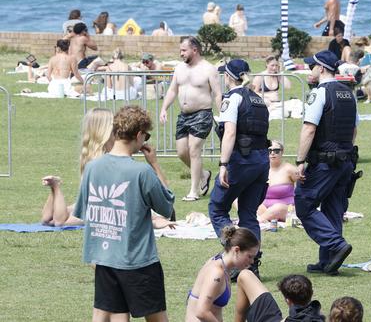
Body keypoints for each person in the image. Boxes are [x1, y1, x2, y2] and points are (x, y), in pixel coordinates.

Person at [73, 105, 176, 321]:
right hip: (138, 262)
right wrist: (155, 164)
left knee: (114, 315)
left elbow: (84, 210)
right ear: (139, 135)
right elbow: (167, 208)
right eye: (146, 135)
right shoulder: (142, 171)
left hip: (104, 258)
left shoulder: (92, 167)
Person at [41, 108, 176, 230]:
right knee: (60, 221)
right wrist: (154, 163)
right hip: (107, 208)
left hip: (99, 206)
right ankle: (56, 188)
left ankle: (54, 188)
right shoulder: (116, 163)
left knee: (51, 218)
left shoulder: (91, 162)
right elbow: (164, 202)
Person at [294, 50, 359, 275]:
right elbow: (354, 131)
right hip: (345, 161)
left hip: (324, 162)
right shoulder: (348, 93)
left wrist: (300, 161)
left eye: (312, 66)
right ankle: (328, 261)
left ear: (321, 68)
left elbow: (309, 128)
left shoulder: (320, 93)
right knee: (333, 209)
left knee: (304, 204)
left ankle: (336, 245)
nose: (310, 70)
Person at [210, 59, 270, 277]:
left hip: (240, 160)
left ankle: (238, 256)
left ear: (228, 77)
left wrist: (223, 164)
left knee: (217, 208)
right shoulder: (259, 100)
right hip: (261, 161)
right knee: (248, 213)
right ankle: (252, 261)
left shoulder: (232, 98)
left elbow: (230, 133)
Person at [160, 36, 220, 201]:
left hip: (202, 114)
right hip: (184, 115)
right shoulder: (179, 68)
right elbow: (173, 90)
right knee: (181, 152)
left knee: (194, 150)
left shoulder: (209, 68)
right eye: (180, 50)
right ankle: (204, 174)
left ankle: (193, 191)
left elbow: (217, 93)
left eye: (184, 50)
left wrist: (223, 113)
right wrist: (164, 108)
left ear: (195, 50)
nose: (181, 54)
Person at [185, 226, 283, 322]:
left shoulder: (218, 262)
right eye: (249, 256)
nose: (252, 261)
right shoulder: (217, 274)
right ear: (236, 250)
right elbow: (201, 312)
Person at [257, 140, 299, 222]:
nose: (272, 153)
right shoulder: (260, 169)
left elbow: (303, 189)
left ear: (282, 152)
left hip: (286, 209)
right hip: (263, 208)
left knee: (277, 208)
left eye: (276, 151)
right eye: (269, 150)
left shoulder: (290, 169)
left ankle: (259, 221)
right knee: (238, 197)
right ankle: (265, 218)